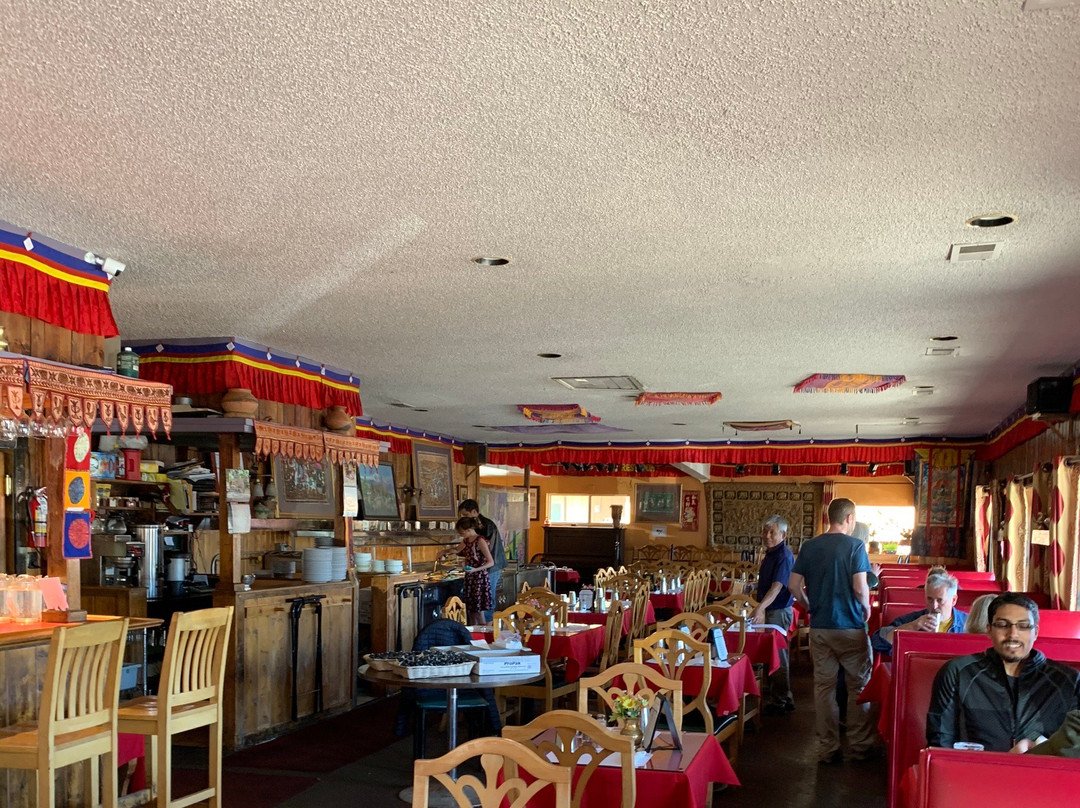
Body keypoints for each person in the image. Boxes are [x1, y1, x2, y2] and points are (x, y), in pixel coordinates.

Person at [926, 592, 1080, 752]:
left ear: (1035, 632)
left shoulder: (1067, 681)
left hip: (1042, 767)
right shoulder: (958, 673)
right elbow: (939, 745)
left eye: (1023, 626)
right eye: (1002, 625)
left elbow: (1075, 749)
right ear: (989, 629)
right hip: (974, 767)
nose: (1012, 634)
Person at [788, 498, 877, 763]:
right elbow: (860, 587)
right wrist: (866, 609)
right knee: (858, 686)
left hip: (820, 628)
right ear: (849, 518)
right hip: (850, 628)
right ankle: (860, 746)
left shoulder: (809, 546)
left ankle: (828, 749)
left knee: (824, 689)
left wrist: (808, 605)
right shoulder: (855, 546)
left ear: (829, 517)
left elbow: (793, 586)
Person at [750, 514, 796, 714]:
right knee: (770, 654)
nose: (767, 536)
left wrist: (759, 608)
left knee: (778, 655)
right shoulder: (770, 554)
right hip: (770, 609)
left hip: (778, 611)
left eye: (772, 532)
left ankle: (781, 701)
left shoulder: (784, 556)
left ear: (783, 535)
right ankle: (781, 696)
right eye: (765, 531)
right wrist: (754, 587)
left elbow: (777, 587)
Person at [871, 569, 968, 654]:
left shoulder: (968, 623)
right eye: (930, 599)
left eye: (940, 600)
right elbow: (877, 642)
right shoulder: (914, 619)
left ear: (953, 600)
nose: (934, 606)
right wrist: (913, 626)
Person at [458, 498, 506, 621]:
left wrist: (474, 565)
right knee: (476, 605)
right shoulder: (476, 525)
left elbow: (485, 551)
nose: (464, 518)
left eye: (466, 515)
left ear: (474, 512)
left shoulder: (487, 526)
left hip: (491, 567)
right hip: (481, 568)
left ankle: (488, 628)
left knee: (486, 601)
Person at [440, 516, 494, 624]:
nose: (461, 535)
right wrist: (443, 552)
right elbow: (457, 550)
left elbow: (491, 562)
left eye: (462, 532)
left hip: (479, 578)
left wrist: (475, 569)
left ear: (469, 530)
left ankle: (483, 632)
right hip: (470, 578)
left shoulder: (480, 541)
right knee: (471, 611)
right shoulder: (466, 540)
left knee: (478, 611)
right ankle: (473, 632)